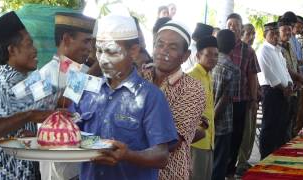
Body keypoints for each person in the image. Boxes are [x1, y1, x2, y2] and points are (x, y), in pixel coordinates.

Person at [69, 14, 178, 180]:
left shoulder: (151, 97)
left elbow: (161, 155)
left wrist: (128, 155)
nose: (103, 60)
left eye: (111, 52)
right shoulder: (85, 89)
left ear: (133, 51)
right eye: (99, 51)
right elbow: (69, 134)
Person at [0, 11, 55, 179]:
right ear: (12, 50)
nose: (35, 50)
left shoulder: (7, 76)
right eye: (29, 44)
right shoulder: (13, 81)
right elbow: (58, 97)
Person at [142, 20, 206, 180]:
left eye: (172, 47)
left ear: (185, 56)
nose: (163, 51)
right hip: (129, 171)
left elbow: (172, 141)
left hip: (168, 173)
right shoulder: (140, 75)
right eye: (160, 44)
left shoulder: (192, 89)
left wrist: (124, 137)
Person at [38, 12, 96, 180]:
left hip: (84, 168)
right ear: (67, 39)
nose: (90, 49)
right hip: (58, 172)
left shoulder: (84, 71)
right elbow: (60, 104)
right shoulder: (44, 74)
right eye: (86, 41)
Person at [225, 13, 260, 178]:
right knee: (219, 138)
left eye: (235, 24)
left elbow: (252, 77)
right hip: (218, 102)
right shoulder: (218, 46)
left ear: (240, 28)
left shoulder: (248, 51)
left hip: (239, 101)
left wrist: (253, 100)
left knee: (236, 137)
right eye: (229, 24)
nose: (232, 27)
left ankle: (230, 171)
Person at [257, 22, 293, 159]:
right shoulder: (263, 50)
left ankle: (277, 156)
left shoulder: (278, 51)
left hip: (283, 92)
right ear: (264, 34)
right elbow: (268, 74)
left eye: (277, 32)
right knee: (269, 127)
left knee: (281, 126)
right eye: (272, 32)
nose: (276, 35)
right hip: (271, 92)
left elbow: (285, 71)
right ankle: (265, 158)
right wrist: (284, 88)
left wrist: (289, 85)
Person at [187, 36, 218, 180]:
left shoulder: (208, 76)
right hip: (196, 141)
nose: (213, 58)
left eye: (216, 55)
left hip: (208, 140)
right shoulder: (191, 77)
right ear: (198, 55)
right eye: (208, 54)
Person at [212, 29, 240, 180]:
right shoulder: (234, 69)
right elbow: (226, 99)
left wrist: (208, 119)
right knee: (219, 163)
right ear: (233, 46)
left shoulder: (209, 62)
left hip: (206, 121)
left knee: (208, 160)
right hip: (223, 122)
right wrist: (213, 118)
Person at [236, 23, 259, 176]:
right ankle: (240, 164)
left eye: (253, 34)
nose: (251, 37)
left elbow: (254, 77)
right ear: (242, 33)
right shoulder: (246, 51)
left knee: (247, 133)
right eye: (249, 33)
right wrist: (254, 99)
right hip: (244, 99)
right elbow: (252, 78)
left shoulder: (249, 51)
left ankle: (241, 163)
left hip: (246, 98)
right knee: (245, 133)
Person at [278, 17, 303, 140]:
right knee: (282, 124)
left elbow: (295, 65)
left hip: (295, 90)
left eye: (289, 30)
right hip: (284, 91)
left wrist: (300, 79)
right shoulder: (277, 48)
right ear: (278, 31)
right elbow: (285, 69)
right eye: (285, 30)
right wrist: (299, 77)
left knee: (291, 121)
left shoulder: (290, 45)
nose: (288, 33)